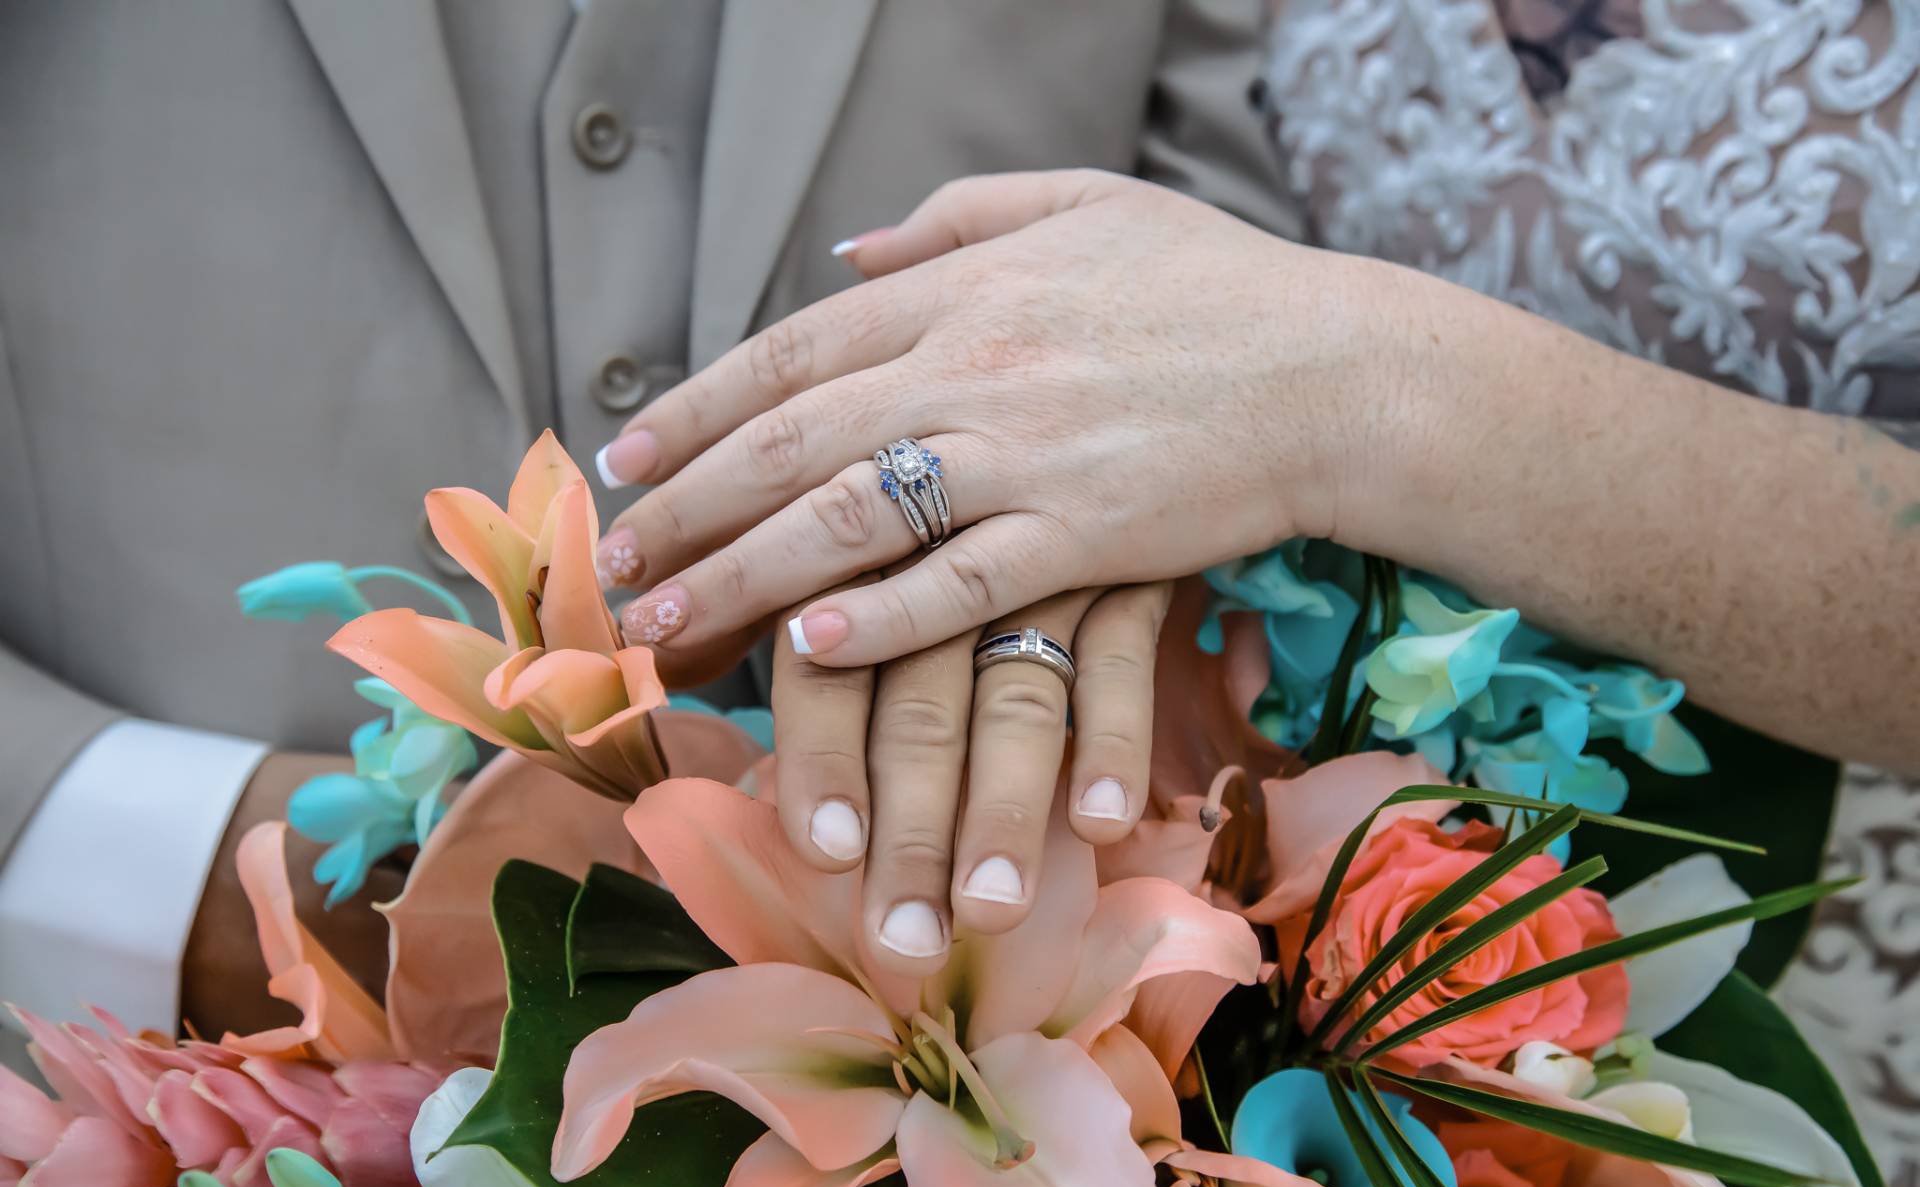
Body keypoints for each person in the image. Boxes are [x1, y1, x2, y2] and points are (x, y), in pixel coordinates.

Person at [0, 0, 1295, 1065]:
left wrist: (1120, 537)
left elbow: (1230, 328)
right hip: (155, 1087)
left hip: (1006, 1048)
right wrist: (160, 871)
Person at [589, 9, 1920, 982]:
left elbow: (1245, 348)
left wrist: (1347, 389)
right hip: (1319, 930)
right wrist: (1051, 498)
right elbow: (1175, 316)